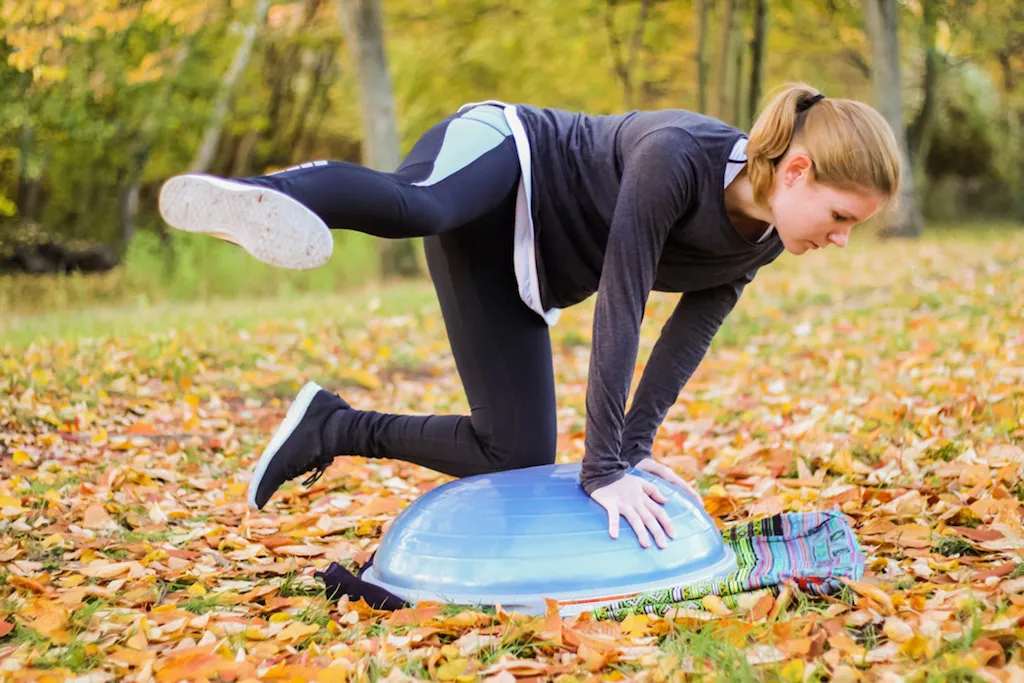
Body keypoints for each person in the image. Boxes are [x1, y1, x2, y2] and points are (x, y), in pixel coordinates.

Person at [158, 83, 901, 550]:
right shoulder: (677, 156)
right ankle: (263, 191)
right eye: (841, 216)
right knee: (421, 205)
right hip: (506, 156)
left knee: (512, 450)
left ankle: (332, 426)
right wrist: (602, 468)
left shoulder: (762, 240)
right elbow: (622, 302)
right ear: (796, 170)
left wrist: (631, 448)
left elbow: (686, 337)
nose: (840, 238)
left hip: (515, 266)